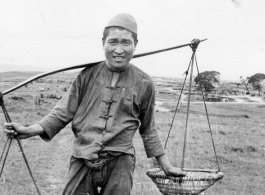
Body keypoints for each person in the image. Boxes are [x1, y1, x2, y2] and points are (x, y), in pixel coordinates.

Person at [4, 13, 186, 195]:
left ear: (135, 45)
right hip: (82, 157)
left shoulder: (145, 83)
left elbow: (148, 129)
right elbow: (61, 113)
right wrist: (29, 130)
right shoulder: (86, 75)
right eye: (113, 42)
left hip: (120, 162)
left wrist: (166, 165)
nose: (119, 50)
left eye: (126, 43)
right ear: (103, 43)